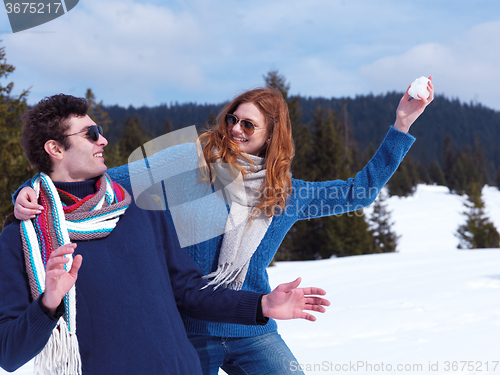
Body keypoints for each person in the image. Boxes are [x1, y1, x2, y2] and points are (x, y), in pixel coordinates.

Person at [14, 78, 434, 375]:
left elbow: (356, 192)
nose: (234, 128)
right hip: (190, 328)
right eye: (233, 118)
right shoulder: (187, 166)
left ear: (270, 136)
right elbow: (108, 178)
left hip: (253, 327)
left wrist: (401, 126)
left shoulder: (284, 193)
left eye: (248, 124)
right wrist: (35, 187)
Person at [0, 94, 330, 375]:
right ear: (55, 149)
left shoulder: (141, 211)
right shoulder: (24, 239)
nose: (103, 140)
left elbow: (190, 291)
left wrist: (262, 304)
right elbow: (10, 354)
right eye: (91, 133)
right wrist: (48, 303)